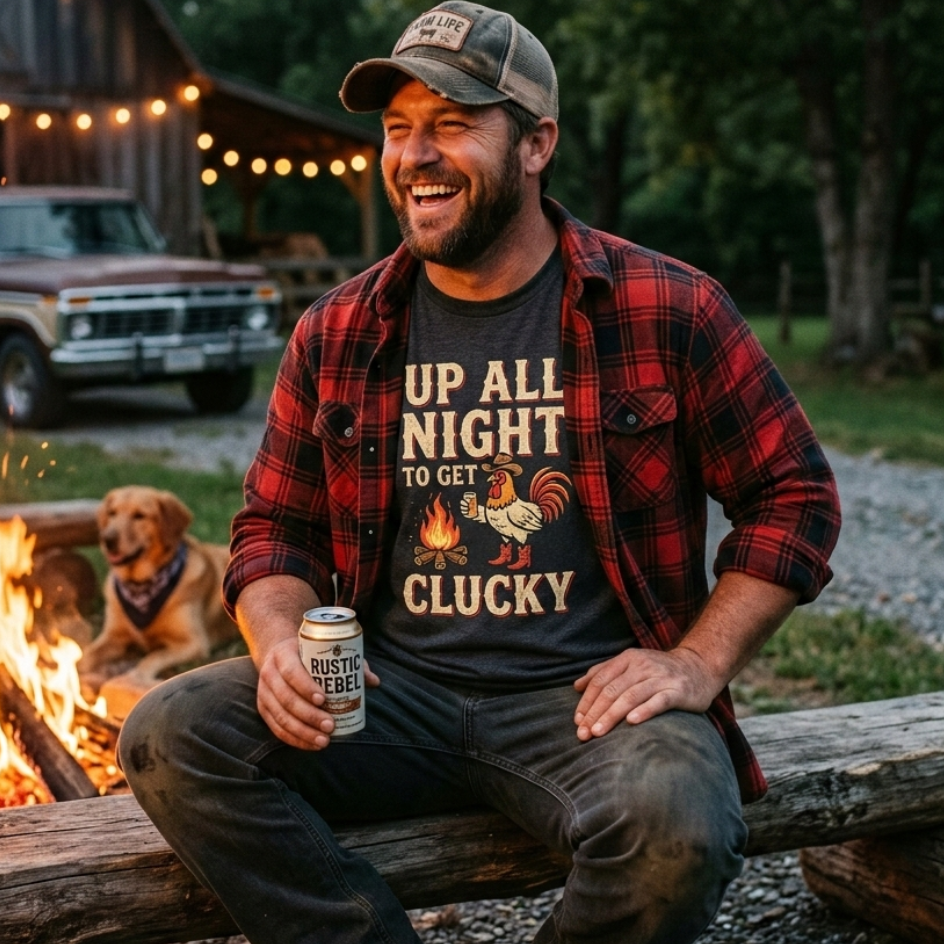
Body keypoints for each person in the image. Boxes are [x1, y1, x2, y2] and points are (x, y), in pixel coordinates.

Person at [118, 4, 841, 944]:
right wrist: (280, 643)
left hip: (587, 708)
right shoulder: (337, 331)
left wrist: (694, 663)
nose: (414, 155)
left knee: (676, 826)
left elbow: (795, 496)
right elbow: (273, 530)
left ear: (537, 143)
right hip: (384, 698)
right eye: (397, 127)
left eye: (452, 124)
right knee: (172, 735)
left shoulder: (669, 307)